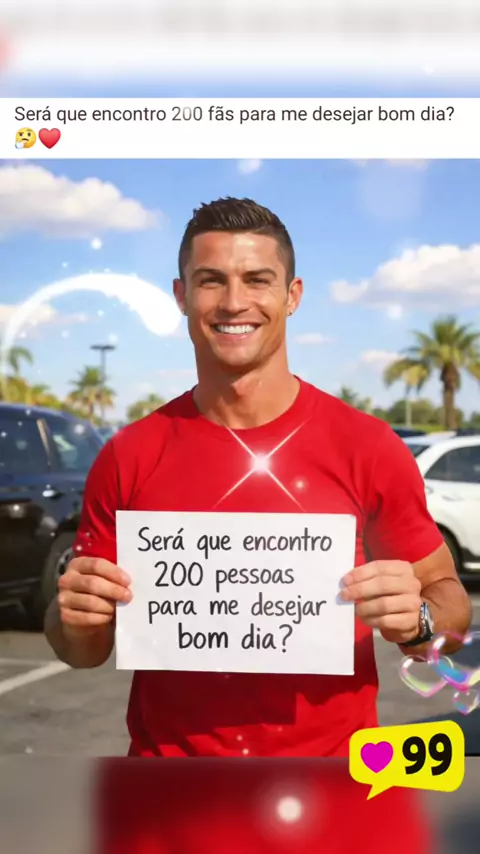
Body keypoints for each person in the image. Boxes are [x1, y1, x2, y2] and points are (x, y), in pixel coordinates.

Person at [45, 197, 471, 758]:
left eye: (257, 279)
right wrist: (73, 618)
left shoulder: (368, 447)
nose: (233, 302)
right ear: (181, 295)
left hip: (332, 786)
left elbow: (450, 603)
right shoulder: (129, 455)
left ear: (292, 296)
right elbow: (81, 649)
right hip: (167, 790)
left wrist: (418, 618)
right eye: (211, 280)